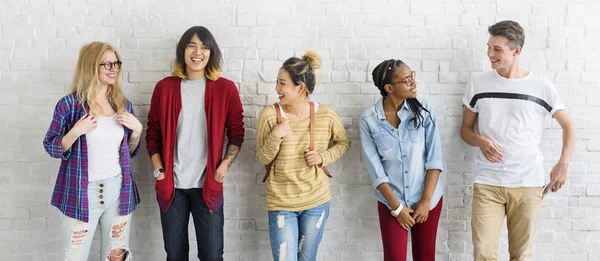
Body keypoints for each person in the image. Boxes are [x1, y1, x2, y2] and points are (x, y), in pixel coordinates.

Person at [460, 20, 576, 261]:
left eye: (497, 49)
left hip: (528, 183)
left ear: (517, 51)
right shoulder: (478, 84)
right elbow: (465, 130)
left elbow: (568, 125)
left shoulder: (540, 86)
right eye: (489, 47)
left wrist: (562, 164)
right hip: (488, 184)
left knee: (521, 256)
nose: (490, 54)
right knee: (483, 254)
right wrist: (480, 141)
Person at [145, 25, 245, 261]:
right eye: (192, 45)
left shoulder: (225, 88)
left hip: (208, 187)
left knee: (212, 255)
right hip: (173, 188)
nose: (198, 52)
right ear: (183, 51)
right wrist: (159, 170)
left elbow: (237, 133)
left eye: (204, 46)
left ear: (212, 53)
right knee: (175, 255)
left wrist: (223, 167)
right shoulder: (164, 88)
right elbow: (153, 134)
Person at [43, 41, 141, 261]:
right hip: (80, 193)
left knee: (116, 257)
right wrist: (75, 132)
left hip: (118, 191)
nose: (113, 68)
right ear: (91, 66)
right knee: (73, 257)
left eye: (116, 63)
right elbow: (50, 145)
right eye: (106, 64)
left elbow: (130, 152)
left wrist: (137, 131)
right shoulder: (69, 105)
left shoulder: (122, 104)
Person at [256, 50, 350, 261]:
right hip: (281, 204)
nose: (277, 88)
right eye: (277, 82)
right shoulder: (270, 115)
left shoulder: (325, 114)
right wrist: (275, 136)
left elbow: (344, 142)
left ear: (300, 87)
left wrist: (323, 157)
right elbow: (263, 157)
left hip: (316, 202)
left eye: (282, 84)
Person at [359, 59, 444, 261]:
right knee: (394, 258)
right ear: (389, 88)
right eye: (407, 79)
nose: (413, 83)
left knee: (425, 257)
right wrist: (397, 208)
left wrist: (425, 201)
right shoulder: (368, 119)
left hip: (427, 198)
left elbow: (434, 160)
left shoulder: (424, 110)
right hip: (392, 202)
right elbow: (376, 172)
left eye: (412, 76)